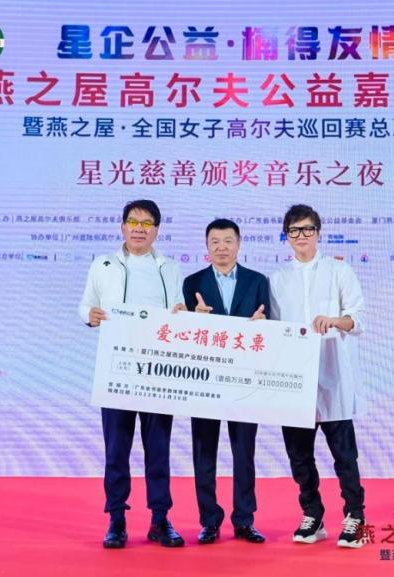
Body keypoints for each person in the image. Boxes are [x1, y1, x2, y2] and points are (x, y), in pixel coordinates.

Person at [78, 199, 186, 549]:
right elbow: (86, 304)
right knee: (116, 448)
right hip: (117, 370)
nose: (139, 228)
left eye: (147, 223)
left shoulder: (168, 267)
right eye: (133, 222)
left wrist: (183, 313)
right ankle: (116, 519)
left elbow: (178, 309)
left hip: (158, 370)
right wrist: (89, 315)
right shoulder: (104, 264)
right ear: (122, 227)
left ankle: (160, 519)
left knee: (159, 449)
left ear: (157, 230)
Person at [269, 204, 369, 548]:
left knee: (344, 455)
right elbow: (272, 328)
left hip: (333, 374)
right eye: (294, 230)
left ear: (318, 232)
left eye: (308, 229)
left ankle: (355, 516)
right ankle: (313, 514)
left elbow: (357, 318)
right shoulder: (277, 279)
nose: (302, 236)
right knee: (299, 457)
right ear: (287, 236)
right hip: (294, 380)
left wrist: (335, 320)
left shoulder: (339, 270)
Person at [182, 219, 270, 545]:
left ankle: (245, 520)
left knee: (244, 452)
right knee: (204, 452)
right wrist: (193, 320)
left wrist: (264, 325)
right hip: (206, 380)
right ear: (206, 246)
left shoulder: (257, 281)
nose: (221, 247)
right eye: (215, 241)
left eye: (228, 241)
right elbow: (180, 333)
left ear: (239, 244)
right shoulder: (192, 282)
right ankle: (209, 521)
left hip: (245, 380)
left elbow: (271, 327)